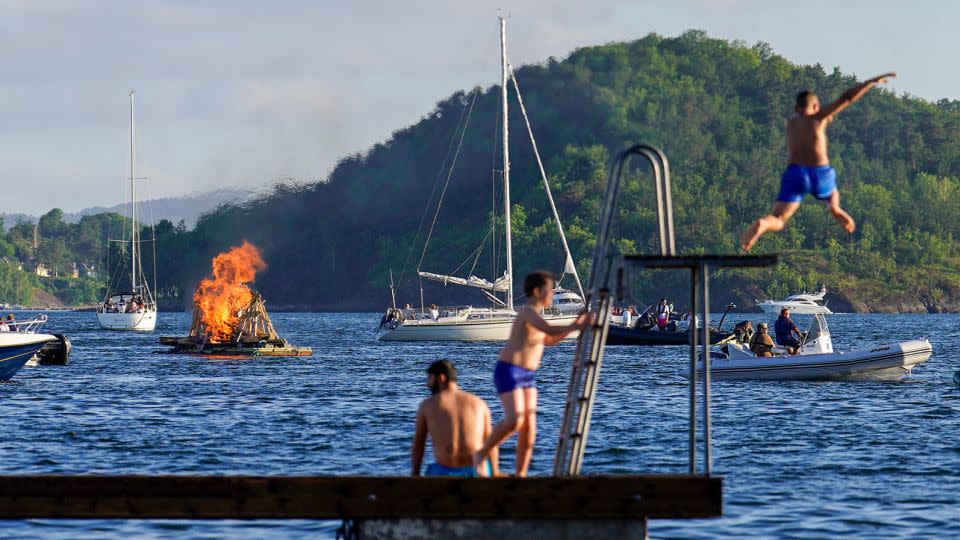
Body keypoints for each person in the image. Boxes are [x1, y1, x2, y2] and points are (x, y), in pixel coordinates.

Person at [741, 72, 897, 251]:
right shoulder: (818, 118)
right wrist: (871, 81)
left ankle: (763, 224)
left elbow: (806, 127)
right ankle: (835, 208)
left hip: (796, 173)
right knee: (831, 193)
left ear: (796, 108)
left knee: (779, 219)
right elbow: (847, 98)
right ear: (815, 106)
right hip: (819, 172)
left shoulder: (791, 123)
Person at [472, 271, 590, 477]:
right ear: (537, 291)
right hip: (508, 370)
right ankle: (480, 453)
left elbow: (550, 340)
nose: (553, 293)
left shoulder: (537, 317)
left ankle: (521, 474)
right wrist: (577, 324)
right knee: (514, 421)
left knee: (529, 429)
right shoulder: (527, 313)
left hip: (527, 375)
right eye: (550, 290)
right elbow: (549, 329)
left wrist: (574, 327)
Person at [412, 360, 497, 477]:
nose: (427, 384)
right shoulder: (479, 404)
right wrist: (495, 472)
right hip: (477, 471)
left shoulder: (428, 405)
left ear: (441, 378)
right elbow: (491, 442)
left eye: (430, 378)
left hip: (443, 472)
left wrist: (415, 473)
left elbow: (419, 443)